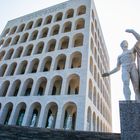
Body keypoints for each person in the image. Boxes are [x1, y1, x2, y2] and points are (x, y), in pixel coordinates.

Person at [102, 29, 140, 101]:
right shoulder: (119, 56)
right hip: (124, 68)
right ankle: (127, 101)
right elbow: (117, 68)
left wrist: (133, 32)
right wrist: (108, 73)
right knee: (125, 82)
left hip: (132, 66)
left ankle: (138, 100)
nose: (125, 43)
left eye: (126, 42)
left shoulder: (132, 50)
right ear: (121, 45)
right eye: (123, 42)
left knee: (136, 86)